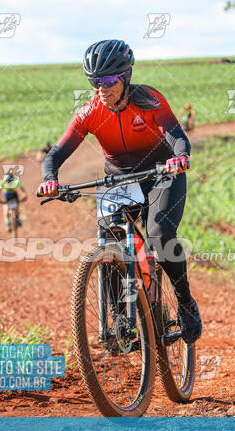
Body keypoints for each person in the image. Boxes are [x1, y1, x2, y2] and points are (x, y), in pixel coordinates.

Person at [37, 39, 202, 344]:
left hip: (162, 172)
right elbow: (55, 154)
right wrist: (50, 178)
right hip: (120, 180)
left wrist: (179, 157)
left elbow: (177, 137)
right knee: (110, 239)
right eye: (95, 82)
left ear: (126, 77)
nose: (102, 88)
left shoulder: (150, 100)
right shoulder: (90, 112)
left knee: (159, 233)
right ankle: (120, 321)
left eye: (109, 81)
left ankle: (185, 301)